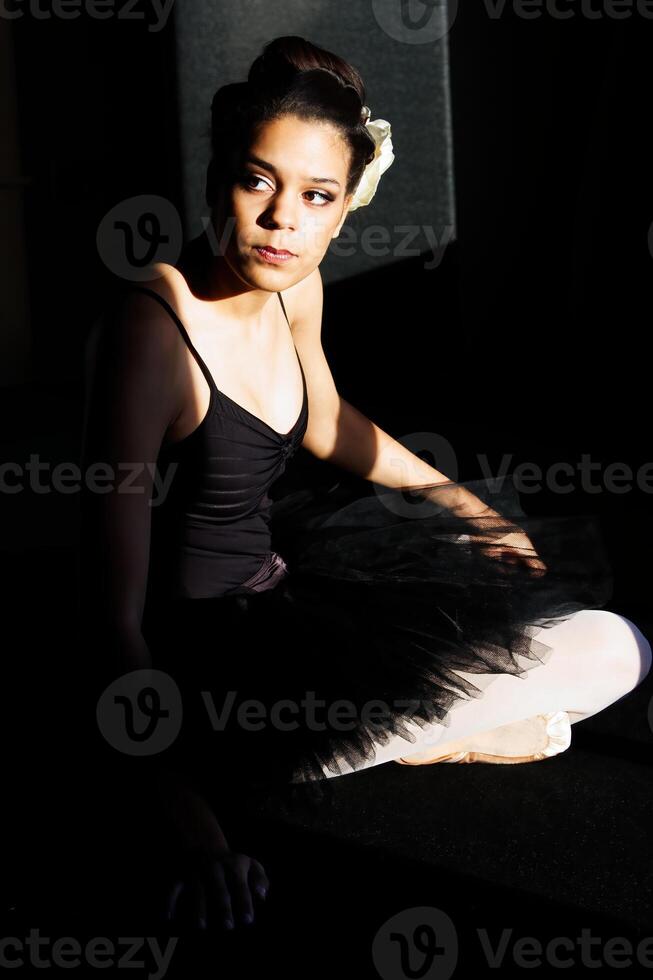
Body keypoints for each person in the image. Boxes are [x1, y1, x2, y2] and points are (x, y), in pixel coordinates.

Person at [79, 34, 651, 936]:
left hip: (288, 599)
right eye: (258, 182)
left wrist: (461, 504)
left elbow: (323, 422)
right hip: (207, 673)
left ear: (345, 211)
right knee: (573, 669)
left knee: (616, 646)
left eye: (315, 198)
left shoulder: (291, 287)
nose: (281, 221)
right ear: (217, 174)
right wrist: (186, 821)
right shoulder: (151, 327)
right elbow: (105, 617)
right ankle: (365, 748)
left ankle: (403, 734)